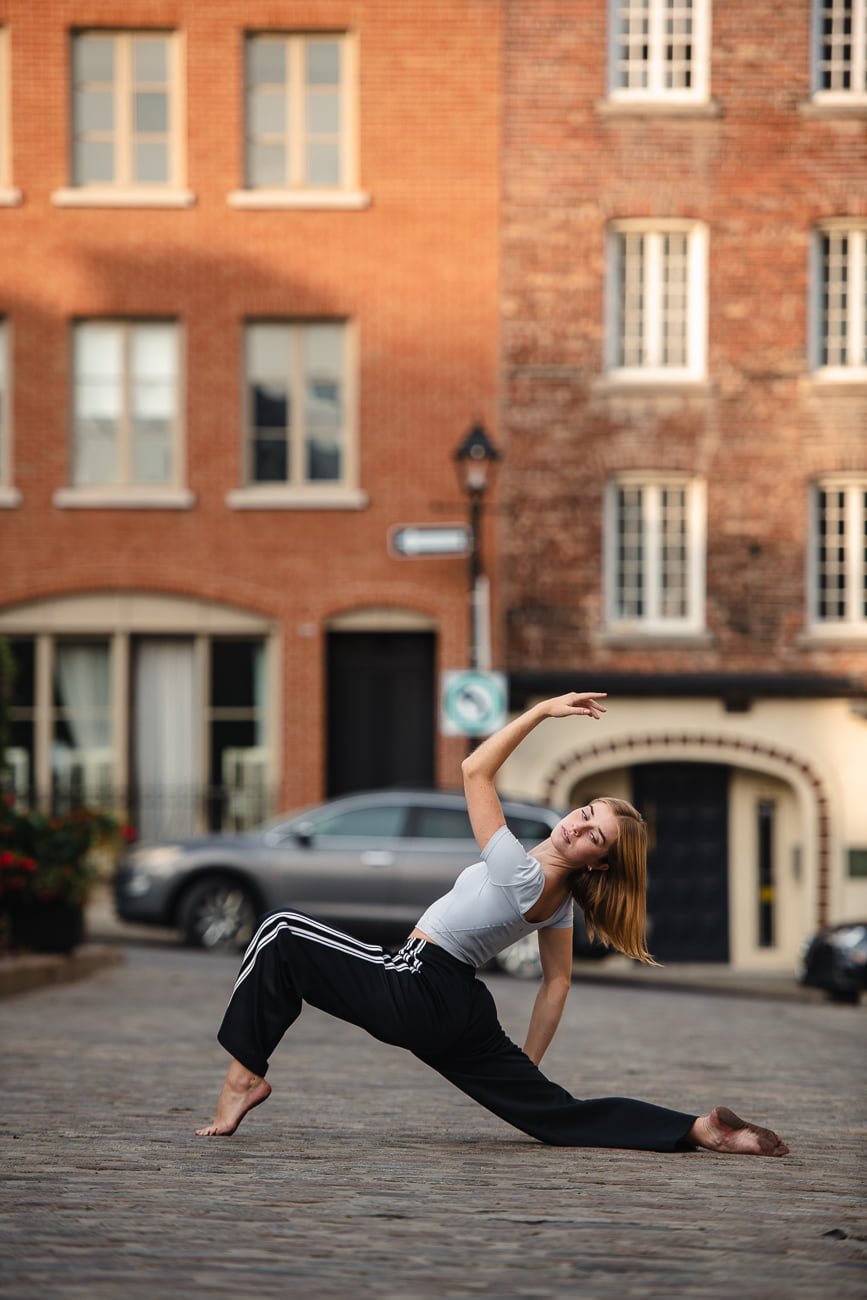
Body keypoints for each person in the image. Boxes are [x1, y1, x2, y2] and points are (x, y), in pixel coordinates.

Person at [196, 692, 789, 1157]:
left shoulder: (522, 874)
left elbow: (474, 770)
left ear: (600, 862)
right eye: (585, 813)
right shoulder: (559, 899)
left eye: (594, 836)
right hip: (460, 1010)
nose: (577, 827)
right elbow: (557, 983)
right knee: (554, 1114)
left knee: (280, 931)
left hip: (417, 981)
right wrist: (526, 1069)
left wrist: (541, 711)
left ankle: (244, 1078)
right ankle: (699, 1130)